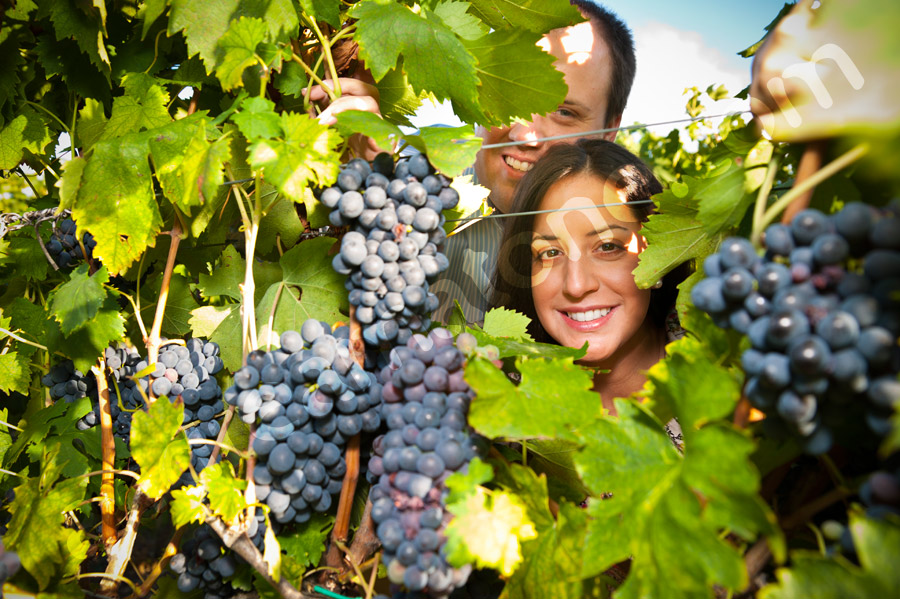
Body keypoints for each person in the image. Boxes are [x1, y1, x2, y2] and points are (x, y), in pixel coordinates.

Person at [309, 2, 637, 326]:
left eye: (564, 112)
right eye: (507, 94)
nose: (526, 133)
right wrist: (357, 187)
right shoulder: (406, 174)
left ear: (610, 131)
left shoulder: (636, 234)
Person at [491, 138, 687, 414]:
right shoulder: (495, 401)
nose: (576, 285)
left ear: (657, 255)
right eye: (549, 253)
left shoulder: (728, 359)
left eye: (608, 247)